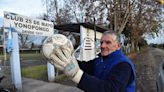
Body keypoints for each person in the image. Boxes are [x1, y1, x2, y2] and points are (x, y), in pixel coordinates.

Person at [49, 30, 136, 92]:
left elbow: (111, 89)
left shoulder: (124, 65)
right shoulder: (100, 60)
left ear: (118, 46)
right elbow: (84, 66)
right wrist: (68, 58)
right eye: (101, 42)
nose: (102, 45)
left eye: (108, 42)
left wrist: (76, 75)